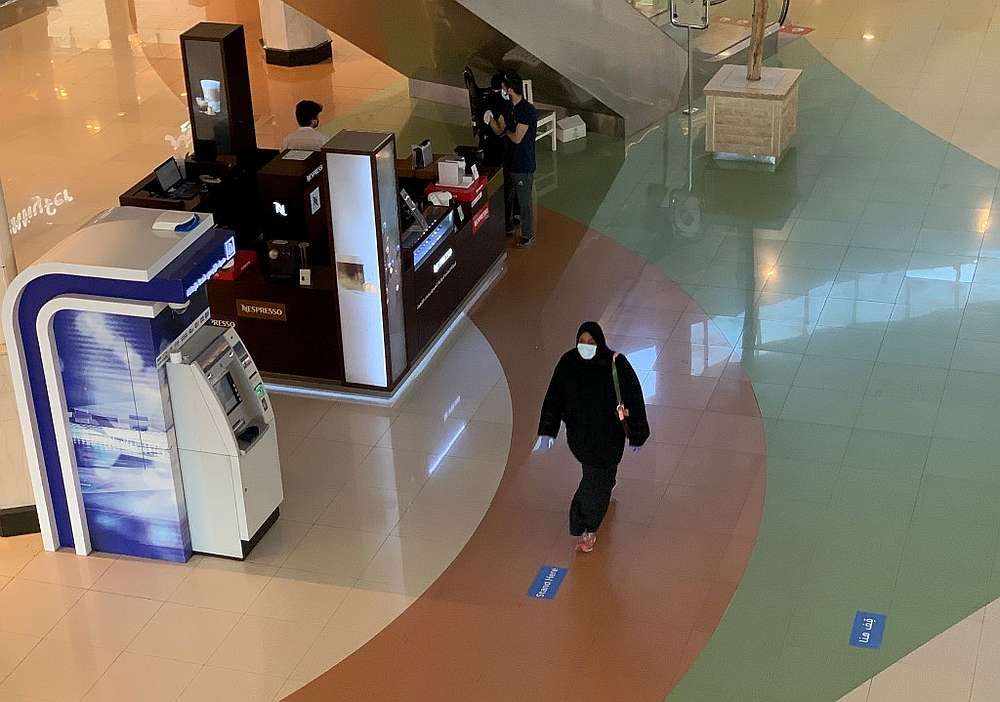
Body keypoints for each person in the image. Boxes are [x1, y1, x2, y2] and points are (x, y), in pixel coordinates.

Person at [535, 322, 650, 553]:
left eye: (591, 342)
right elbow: (554, 399)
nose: (585, 347)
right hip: (581, 437)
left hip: (609, 436)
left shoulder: (616, 364)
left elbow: (634, 399)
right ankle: (593, 512)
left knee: (596, 480)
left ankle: (587, 523)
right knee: (597, 477)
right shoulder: (568, 364)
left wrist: (637, 434)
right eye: (582, 342)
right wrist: (547, 431)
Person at [486, 73, 537, 248]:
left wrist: (505, 131)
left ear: (510, 89)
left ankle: (528, 234)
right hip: (510, 160)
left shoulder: (527, 111)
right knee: (508, 194)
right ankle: (509, 225)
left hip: (523, 163)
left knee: (524, 202)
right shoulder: (509, 108)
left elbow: (516, 138)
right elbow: (500, 130)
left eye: (504, 88)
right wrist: (492, 121)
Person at [480, 72, 511, 168]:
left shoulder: (488, 100)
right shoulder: (499, 104)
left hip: (491, 143)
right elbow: (498, 131)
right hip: (495, 146)